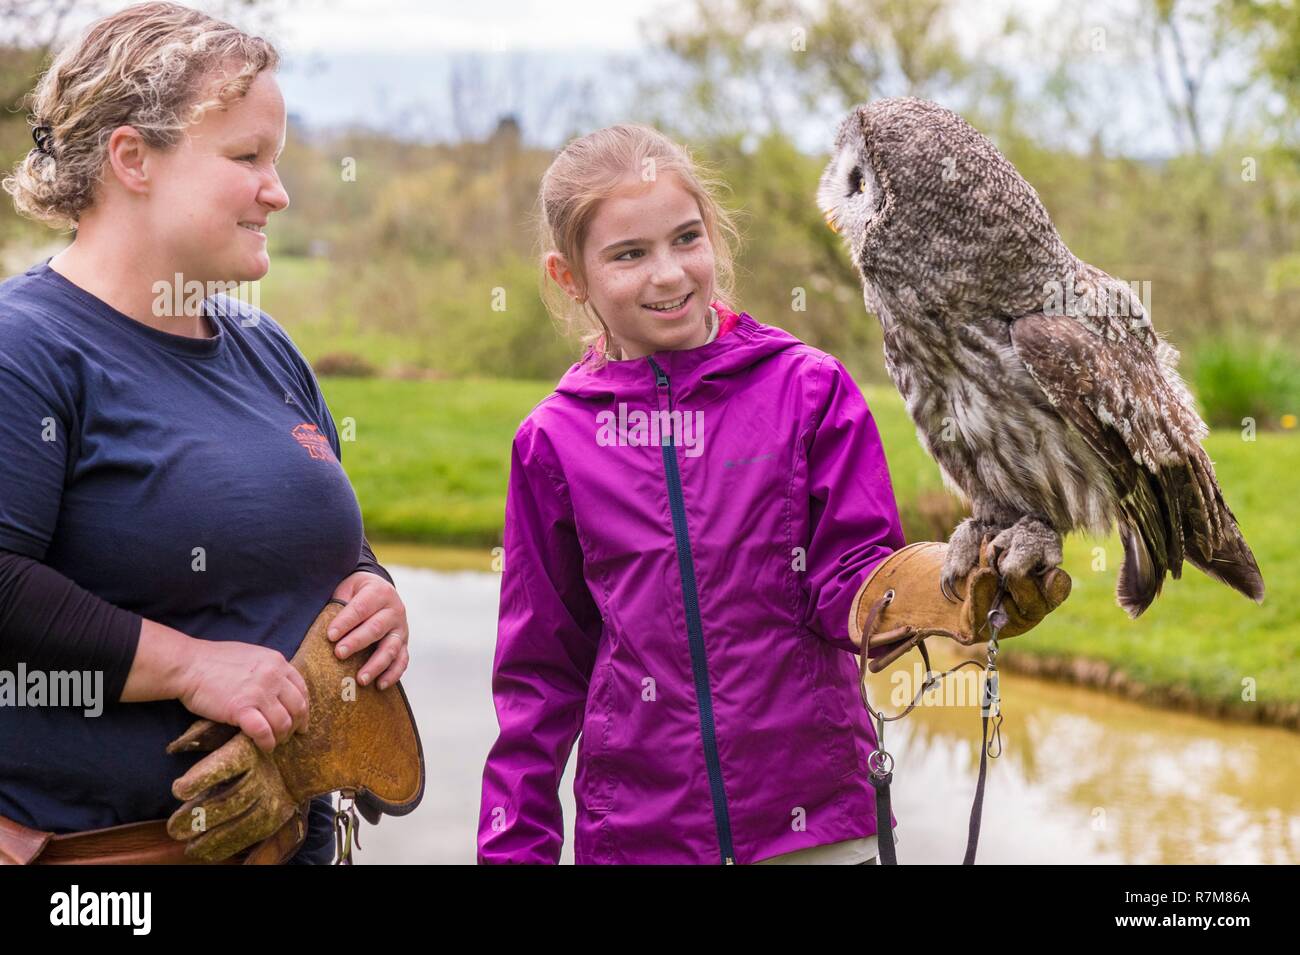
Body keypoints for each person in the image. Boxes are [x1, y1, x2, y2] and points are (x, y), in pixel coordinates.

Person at [477, 123, 1068, 864]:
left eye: (686, 238)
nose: (668, 274)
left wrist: (941, 594)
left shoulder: (807, 389)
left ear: (714, 238)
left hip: (815, 830)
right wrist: (513, 851)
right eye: (629, 254)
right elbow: (539, 675)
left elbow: (853, 578)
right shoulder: (555, 441)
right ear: (570, 277)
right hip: (640, 839)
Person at [0, 2, 409, 864]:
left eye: (280, 158)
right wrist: (189, 664)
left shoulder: (266, 346)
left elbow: (313, 542)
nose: (279, 189)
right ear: (131, 158)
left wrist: (372, 592)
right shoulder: (27, 347)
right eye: (246, 157)